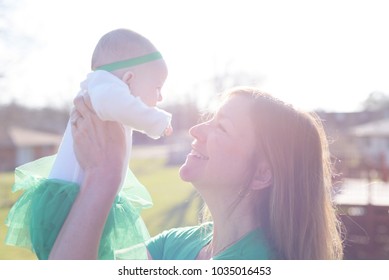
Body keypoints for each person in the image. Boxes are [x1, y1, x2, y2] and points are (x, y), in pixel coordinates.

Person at [49, 86, 344, 260]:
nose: (195, 130)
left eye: (222, 127)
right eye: (209, 119)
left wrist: (104, 177)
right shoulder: (175, 245)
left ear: (261, 173)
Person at [5, 28, 172, 260]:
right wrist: (158, 121)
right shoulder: (104, 87)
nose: (161, 97)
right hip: (71, 199)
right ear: (129, 79)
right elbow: (117, 105)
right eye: (157, 87)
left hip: (80, 194)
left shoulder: (105, 90)